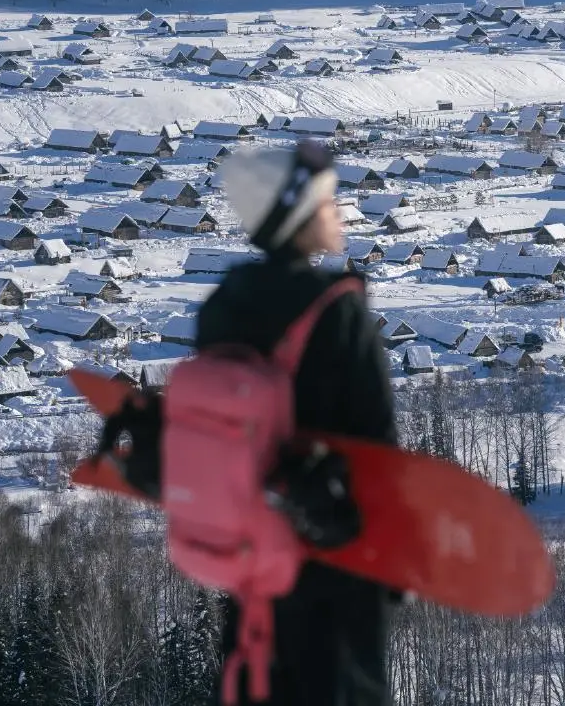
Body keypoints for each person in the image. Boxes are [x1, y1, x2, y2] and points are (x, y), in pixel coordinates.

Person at [198, 139, 397, 706]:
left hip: (251, 566)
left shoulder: (222, 305)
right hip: (335, 567)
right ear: (297, 213)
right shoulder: (337, 310)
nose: (339, 216)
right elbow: (379, 457)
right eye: (330, 203)